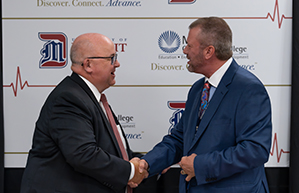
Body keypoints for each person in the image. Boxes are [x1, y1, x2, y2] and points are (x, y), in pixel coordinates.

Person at [139, 17, 272, 193]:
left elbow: (255, 150)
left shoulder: (249, 88)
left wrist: (201, 166)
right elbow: (179, 139)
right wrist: (146, 163)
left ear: (209, 51)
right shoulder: (198, 89)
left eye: (189, 45)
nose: (184, 50)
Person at [20, 33, 147, 193]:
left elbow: (112, 150)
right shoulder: (69, 98)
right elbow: (83, 155)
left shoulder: (88, 97)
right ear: (88, 65)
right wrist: (131, 171)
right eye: (112, 58)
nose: (117, 64)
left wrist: (148, 162)